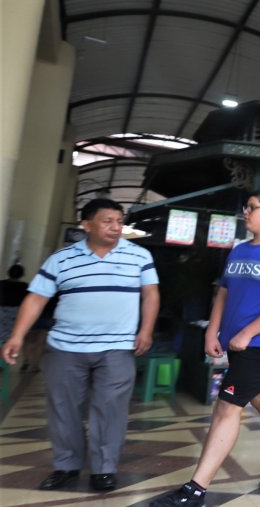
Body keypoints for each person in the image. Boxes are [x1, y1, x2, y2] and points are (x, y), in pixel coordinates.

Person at [152, 192, 260, 507]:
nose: (246, 212)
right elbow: (223, 293)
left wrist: (248, 333)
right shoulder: (239, 250)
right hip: (240, 342)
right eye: (246, 207)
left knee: (226, 408)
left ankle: (195, 490)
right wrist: (212, 330)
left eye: (252, 207)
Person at [1, 199, 160, 493]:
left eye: (119, 221)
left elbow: (150, 294)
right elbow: (36, 298)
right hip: (65, 347)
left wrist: (146, 330)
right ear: (86, 225)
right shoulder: (61, 259)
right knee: (64, 409)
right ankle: (66, 466)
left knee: (110, 409)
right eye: (107, 221)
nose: (115, 227)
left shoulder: (139, 255)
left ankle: (104, 469)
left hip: (117, 347)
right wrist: (17, 336)